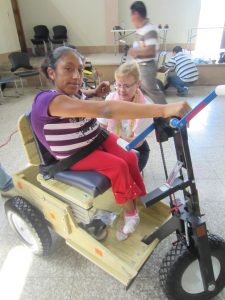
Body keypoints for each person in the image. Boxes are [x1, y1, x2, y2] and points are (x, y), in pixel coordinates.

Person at [31, 46, 190, 241]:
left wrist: (93, 91)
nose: (76, 76)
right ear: (51, 72)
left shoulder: (72, 92)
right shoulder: (48, 101)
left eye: (80, 70)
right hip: (76, 155)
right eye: (68, 69)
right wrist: (164, 109)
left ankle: (139, 197)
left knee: (131, 156)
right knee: (118, 166)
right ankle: (131, 213)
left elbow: (82, 96)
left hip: (97, 138)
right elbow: (107, 109)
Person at [98, 61, 150, 172]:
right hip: (113, 145)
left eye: (127, 86)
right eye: (118, 85)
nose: (121, 90)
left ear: (138, 83)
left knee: (126, 173)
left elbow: (137, 143)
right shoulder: (110, 99)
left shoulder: (145, 107)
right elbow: (101, 127)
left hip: (136, 149)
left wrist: (112, 140)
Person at [128, 1, 167, 104]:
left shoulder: (149, 29)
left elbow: (151, 50)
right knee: (137, 90)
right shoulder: (142, 29)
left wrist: (134, 51)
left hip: (146, 66)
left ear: (136, 14)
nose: (131, 18)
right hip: (140, 66)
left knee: (153, 92)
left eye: (131, 15)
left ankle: (165, 116)